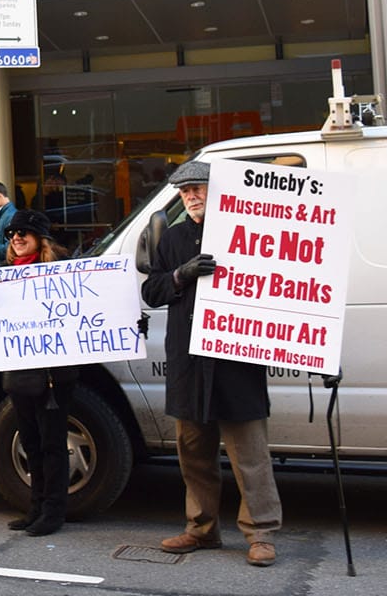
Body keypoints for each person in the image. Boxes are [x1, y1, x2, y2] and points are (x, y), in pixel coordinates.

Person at [141, 160, 281, 568]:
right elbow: (152, 290)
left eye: (198, 188)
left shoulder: (246, 232)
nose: (191, 197)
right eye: (185, 192)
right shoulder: (173, 237)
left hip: (236, 361)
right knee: (193, 453)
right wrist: (181, 276)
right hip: (189, 361)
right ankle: (201, 529)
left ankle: (262, 532)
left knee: (250, 453)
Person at [0, 208, 77, 537]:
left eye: (22, 234)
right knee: (30, 442)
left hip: (54, 377)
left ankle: (54, 511)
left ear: (39, 239)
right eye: (11, 235)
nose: (15, 239)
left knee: (52, 444)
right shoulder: (5, 274)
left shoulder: (58, 273)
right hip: (20, 374)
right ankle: (36, 505)